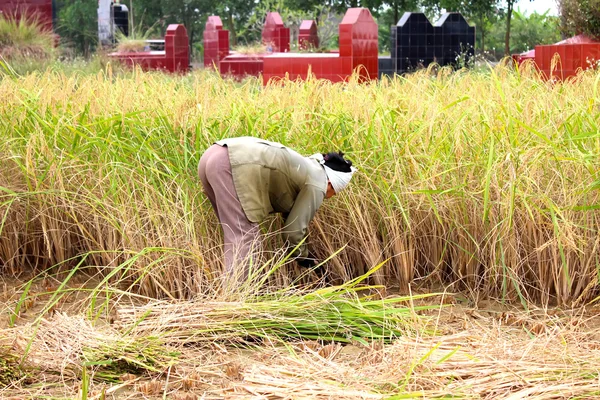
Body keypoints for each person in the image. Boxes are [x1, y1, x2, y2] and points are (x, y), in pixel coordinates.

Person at [198, 136, 356, 284]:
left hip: (213, 155)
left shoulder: (308, 168)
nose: (333, 196)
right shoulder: (318, 183)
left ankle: (230, 297)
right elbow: (292, 232)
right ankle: (235, 303)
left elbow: (291, 221)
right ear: (330, 183)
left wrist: (303, 251)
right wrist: (306, 260)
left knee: (235, 234)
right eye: (336, 191)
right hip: (231, 164)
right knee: (246, 239)